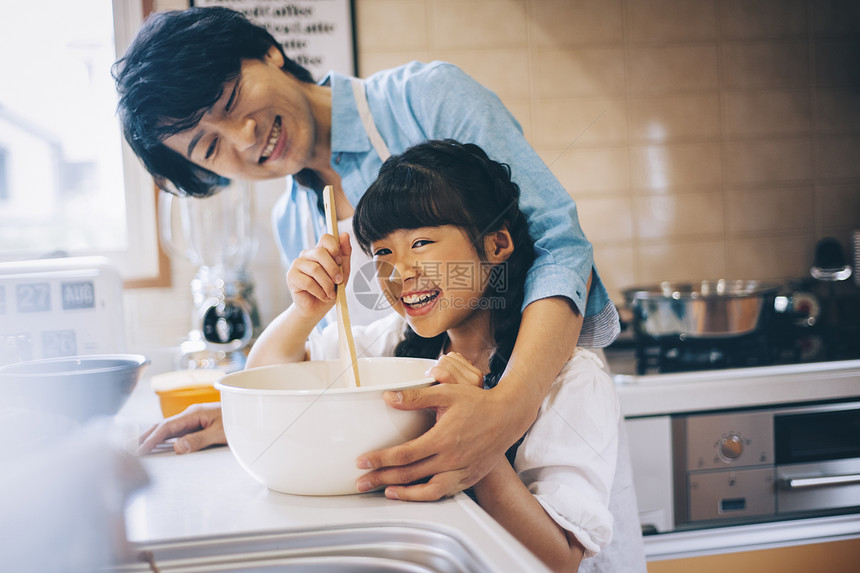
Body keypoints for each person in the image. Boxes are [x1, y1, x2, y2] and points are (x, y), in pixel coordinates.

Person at [116, 7, 620, 501]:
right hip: (426, 490)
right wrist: (257, 414)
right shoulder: (293, 220)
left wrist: (507, 408)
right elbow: (336, 363)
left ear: (268, 53)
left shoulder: (425, 98)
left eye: (231, 100)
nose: (245, 139)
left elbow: (560, 244)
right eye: (209, 148)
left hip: (543, 440)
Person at [250, 140, 644, 572]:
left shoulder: (573, 380)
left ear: (496, 245)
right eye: (382, 251)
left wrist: (479, 441)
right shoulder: (391, 346)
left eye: (421, 242)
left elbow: (557, 558)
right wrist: (304, 311)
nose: (399, 272)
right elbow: (266, 381)